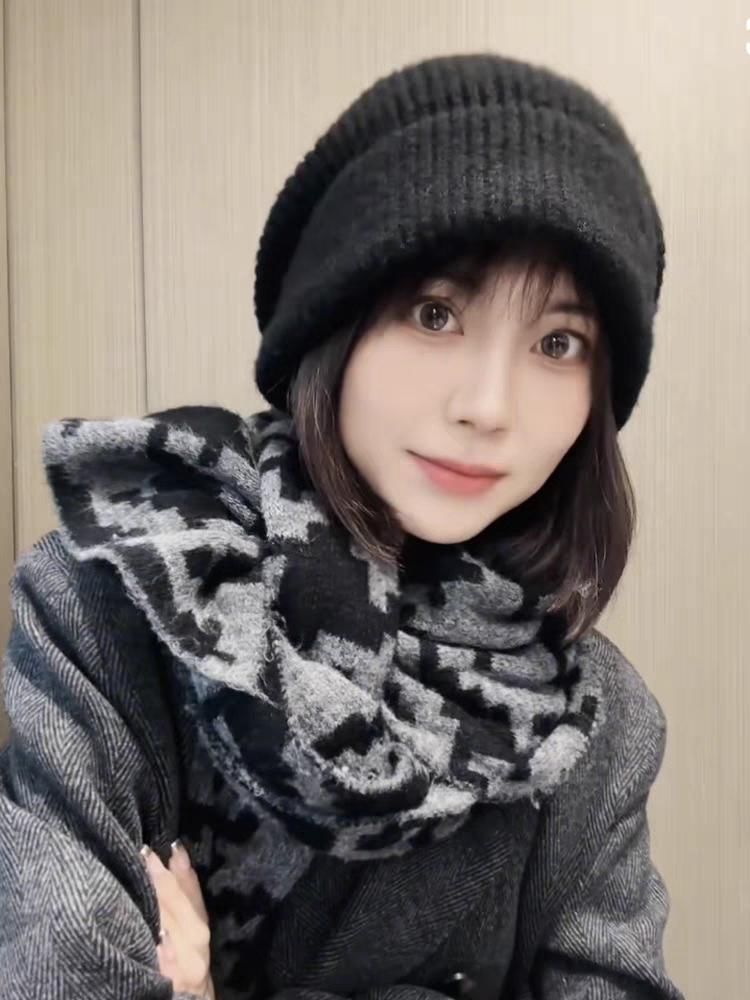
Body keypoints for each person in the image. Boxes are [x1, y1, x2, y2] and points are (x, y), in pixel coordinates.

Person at [0, 51, 685, 1000]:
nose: (489, 407)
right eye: (436, 313)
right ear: (332, 322)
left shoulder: (590, 725)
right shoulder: (128, 599)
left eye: (557, 343)